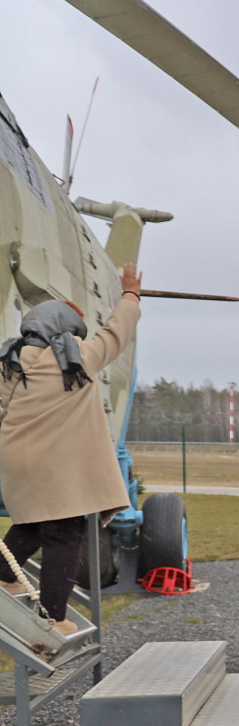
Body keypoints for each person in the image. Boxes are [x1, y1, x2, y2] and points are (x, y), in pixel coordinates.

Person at [0, 268, 142, 634]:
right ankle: (53, 619)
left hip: (18, 461)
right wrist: (130, 295)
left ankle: (3, 575)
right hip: (59, 467)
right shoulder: (77, 357)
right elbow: (116, 333)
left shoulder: (8, 363)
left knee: (31, 523)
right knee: (65, 535)